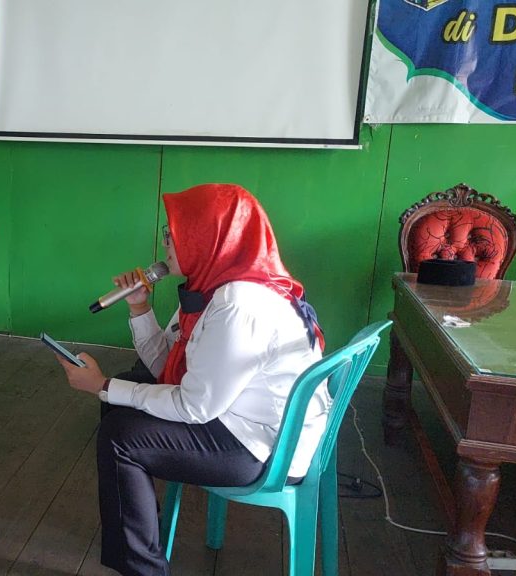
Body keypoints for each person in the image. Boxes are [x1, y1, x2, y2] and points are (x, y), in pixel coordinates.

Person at [54, 184, 328, 575]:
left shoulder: (239, 305)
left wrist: (102, 386)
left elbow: (195, 406)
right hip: (241, 418)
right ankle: (138, 525)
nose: (166, 243)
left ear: (210, 239)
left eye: (174, 234)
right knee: (124, 394)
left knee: (119, 435)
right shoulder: (213, 287)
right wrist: (139, 307)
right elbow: (166, 367)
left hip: (262, 449)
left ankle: (143, 566)